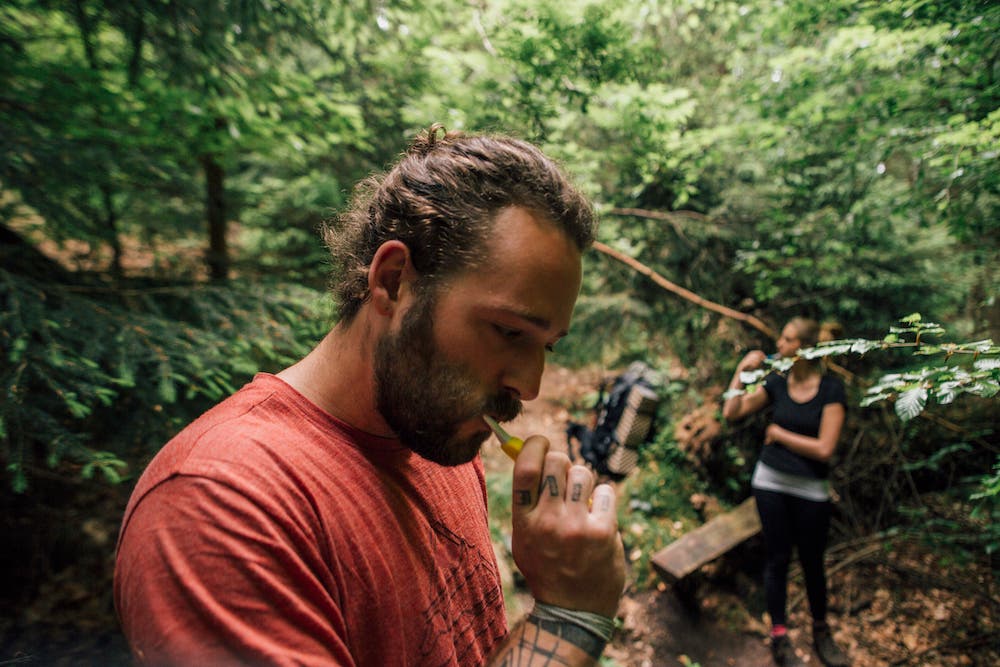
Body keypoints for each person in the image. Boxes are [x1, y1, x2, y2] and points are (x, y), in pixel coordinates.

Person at [114, 125, 626, 666]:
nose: (530, 385)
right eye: (509, 332)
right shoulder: (218, 508)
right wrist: (569, 618)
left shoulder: (433, 431)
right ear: (393, 281)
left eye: (548, 345)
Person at [722, 318, 850, 667]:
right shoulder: (777, 382)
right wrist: (740, 371)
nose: (780, 344)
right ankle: (779, 636)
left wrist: (779, 434)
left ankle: (821, 633)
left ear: (805, 348)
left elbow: (825, 448)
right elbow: (731, 411)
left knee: (812, 564)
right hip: (770, 484)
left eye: (788, 339)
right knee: (777, 560)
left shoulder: (831, 390)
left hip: (811, 491)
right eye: (782, 337)